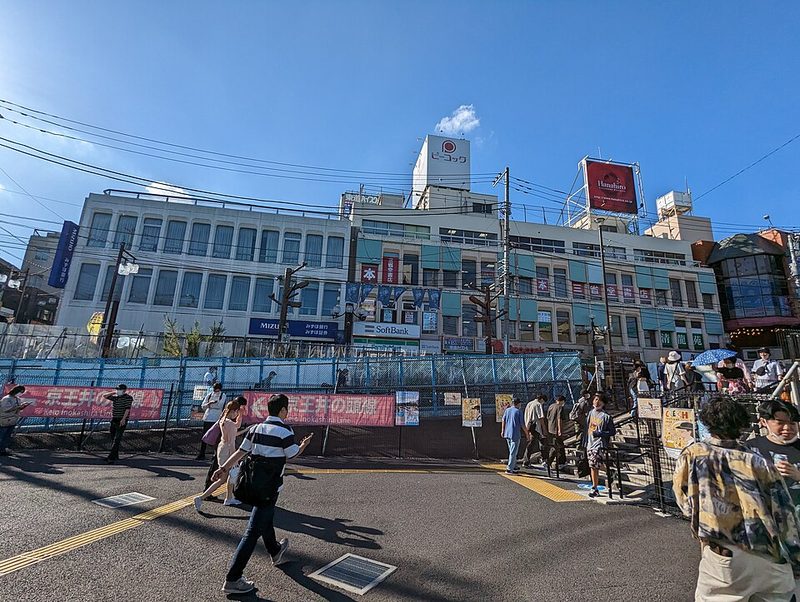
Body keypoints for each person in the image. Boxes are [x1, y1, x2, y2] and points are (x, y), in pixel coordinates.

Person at [673, 396, 800, 601]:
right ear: (741, 425)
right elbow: (785, 515)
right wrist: (796, 557)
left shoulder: (693, 455)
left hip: (724, 556)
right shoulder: (760, 462)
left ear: (707, 423)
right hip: (769, 554)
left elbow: (685, 504)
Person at [213, 393, 313, 595]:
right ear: (283, 410)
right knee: (252, 531)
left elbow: (240, 452)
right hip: (270, 487)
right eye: (287, 409)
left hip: (253, 484)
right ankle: (233, 577)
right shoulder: (285, 431)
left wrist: (223, 468)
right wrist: (303, 445)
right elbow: (292, 454)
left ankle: (275, 551)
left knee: (265, 519)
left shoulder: (257, 428)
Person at [748, 400, 800, 514]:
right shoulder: (750, 449)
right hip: (764, 517)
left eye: (792, 423)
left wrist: (798, 476)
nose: (787, 428)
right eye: (780, 423)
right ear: (764, 422)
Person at [195, 398, 247, 509]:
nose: (237, 414)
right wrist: (235, 460)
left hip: (221, 449)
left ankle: (228, 498)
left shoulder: (223, 419)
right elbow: (232, 442)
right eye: (237, 412)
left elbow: (236, 428)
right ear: (234, 411)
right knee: (222, 479)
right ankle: (201, 497)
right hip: (227, 451)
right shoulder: (230, 424)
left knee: (228, 476)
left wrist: (241, 417)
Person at [586, 394, 616, 498]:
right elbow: (587, 428)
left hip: (599, 444)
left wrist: (600, 433)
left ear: (603, 403)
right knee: (593, 465)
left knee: (593, 465)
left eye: (599, 400)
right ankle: (610, 471)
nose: (597, 402)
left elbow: (612, 431)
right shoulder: (590, 413)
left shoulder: (606, 417)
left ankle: (594, 488)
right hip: (590, 443)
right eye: (595, 399)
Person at [197, 382, 227, 461]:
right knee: (205, 435)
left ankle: (215, 454)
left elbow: (220, 405)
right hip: (208, 417)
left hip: (216, 417)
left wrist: (210, 405)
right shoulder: (209, 395)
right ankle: (202, 453)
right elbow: (203, 406)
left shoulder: (222, 395)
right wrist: (210, 403)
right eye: (214, 389)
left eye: (217, 390)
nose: (215, 391)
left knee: (217, 436)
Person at [105, 384, 133, 464]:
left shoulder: (128, 398)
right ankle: (115, 455)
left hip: (121, 420)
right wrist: (114, 392)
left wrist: (123, 419)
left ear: (124, 390)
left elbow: (127, 409)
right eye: (117, 389)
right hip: (114, 419)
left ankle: (110, 457)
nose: (118, 391)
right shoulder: (116, 397)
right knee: (113, 437)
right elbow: (105, 396)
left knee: (117, 439)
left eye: (119, 390)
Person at [501, 397, 530, 474]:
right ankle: (509, 468)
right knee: (513, 452)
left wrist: (502, 431)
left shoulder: (507, 410)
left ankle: (514, 465)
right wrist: (527, 434)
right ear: (518, 403)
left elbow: (503, 420)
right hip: (515, 434)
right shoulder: (519, 411)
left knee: (511, 450)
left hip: (507, 433)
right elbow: (522, 424)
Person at [0, 385, 30, 456]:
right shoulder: (7, 399)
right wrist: (18, 407)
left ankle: (3, 449)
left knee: (7, 436)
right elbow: (5, 409)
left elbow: (17, 408)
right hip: (5, 419)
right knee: (2, 435)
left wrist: (22, 406)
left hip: (13, 419)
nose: (21, 393)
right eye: (20, 392)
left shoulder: (17, 399)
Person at [522, 394, 547, 468]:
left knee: (533, 443)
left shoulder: (529, 403)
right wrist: (544, 429)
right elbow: (541, 418)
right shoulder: (538, 405)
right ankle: (543, 460)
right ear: (542, 399)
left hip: (529, 426)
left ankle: (527, 460)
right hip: (536, 427)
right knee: (539, 442)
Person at [546, 395, 569, 469]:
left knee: (557, 445)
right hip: (556, 429)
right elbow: (559, 419)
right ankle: (551, 462)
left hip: (550, 428)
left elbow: (548, 417)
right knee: (558, 446)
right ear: (562, 401)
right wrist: (559, 430)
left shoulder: (551, 406)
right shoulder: (560, 407)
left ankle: (558, 461)